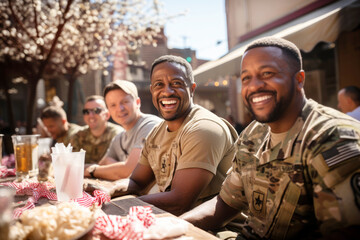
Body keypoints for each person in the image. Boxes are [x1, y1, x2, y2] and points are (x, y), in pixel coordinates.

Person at [181, 37, 360, 239]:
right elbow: (226, 202)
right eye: (246, 78)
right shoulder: (253, 133)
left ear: (299, 79)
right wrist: (176, 225)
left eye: (267, 73)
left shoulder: (332, 137)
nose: (254, 86)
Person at [100, 55, 238, 216]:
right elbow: (137, 181)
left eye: (176, 83)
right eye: (159, 85)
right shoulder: (157, 132)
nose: (167, 91)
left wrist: (114, 206)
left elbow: (179, 202)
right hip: (170, 221)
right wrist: (107, 190)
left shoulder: (203, 128)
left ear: (192, 89)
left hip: (214, 231)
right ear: (152, 91)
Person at [84, 80, 161, 180]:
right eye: (113, 105)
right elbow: (103, 165)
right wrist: (117, 167)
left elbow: (129, 171)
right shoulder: (118, 138)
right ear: (109, 110)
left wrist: (91, 170)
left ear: (137, 102)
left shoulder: (150, 125)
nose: (119, 109)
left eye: (124, 102)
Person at [71, 95, 123, 164]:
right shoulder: (78, 136)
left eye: (96, 110)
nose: (90, 115)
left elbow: (122, 166)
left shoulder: (118, 135)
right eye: (86, 111)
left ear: (107, 115)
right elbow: (72, 164)